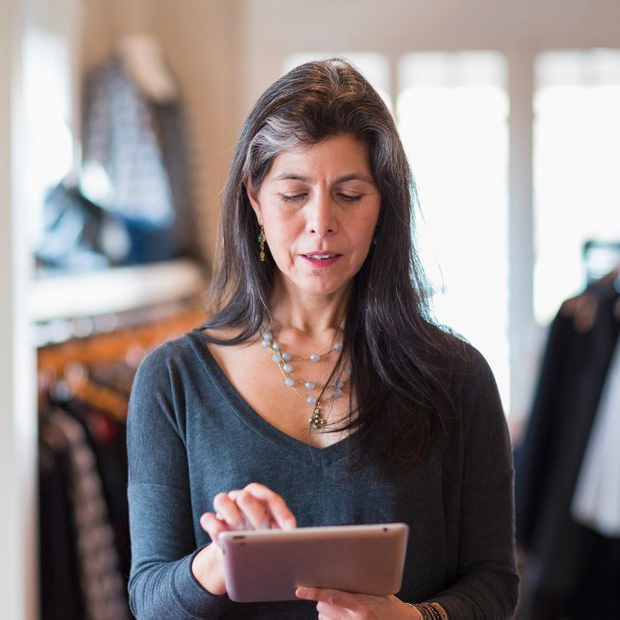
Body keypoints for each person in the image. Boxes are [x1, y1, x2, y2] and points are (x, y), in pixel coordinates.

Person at [127, 58, 519, 619]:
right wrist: (219, 560)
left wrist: (415, 619)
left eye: (350, 194)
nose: (320, 222)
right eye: (293, 193)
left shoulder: (456, 376)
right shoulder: (173, 380)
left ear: (383, 205)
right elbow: (149, 601)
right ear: (254, 199)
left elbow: (494, 584)